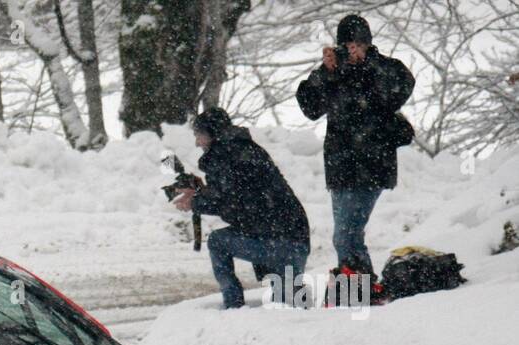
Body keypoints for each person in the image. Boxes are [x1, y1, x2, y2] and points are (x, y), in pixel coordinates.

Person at [296, 13, 415, 275]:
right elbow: (310, 107)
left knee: (346, 235)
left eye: (358, 44)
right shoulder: (334, 72)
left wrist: (368, 63)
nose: (352, 50)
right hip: (340, 167)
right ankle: (360, 290)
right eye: (347, 44)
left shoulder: (383, 67)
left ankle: (359, 291)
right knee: (347, 235)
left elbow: (402, 87)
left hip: (372, 163)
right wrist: (326, 73)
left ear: (368, 44)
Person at [171, 108, 310, 309]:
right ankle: (300, 309)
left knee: (218, 242)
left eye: (199, 135)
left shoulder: (222, 155)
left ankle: (233, 307)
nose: (197, 143)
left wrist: (195, 202)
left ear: (212, 133)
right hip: (295, 238)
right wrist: (202, 193)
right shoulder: (245, 148)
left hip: (275, 242)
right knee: (288, 305)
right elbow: (242, 196)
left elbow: (231, 203)